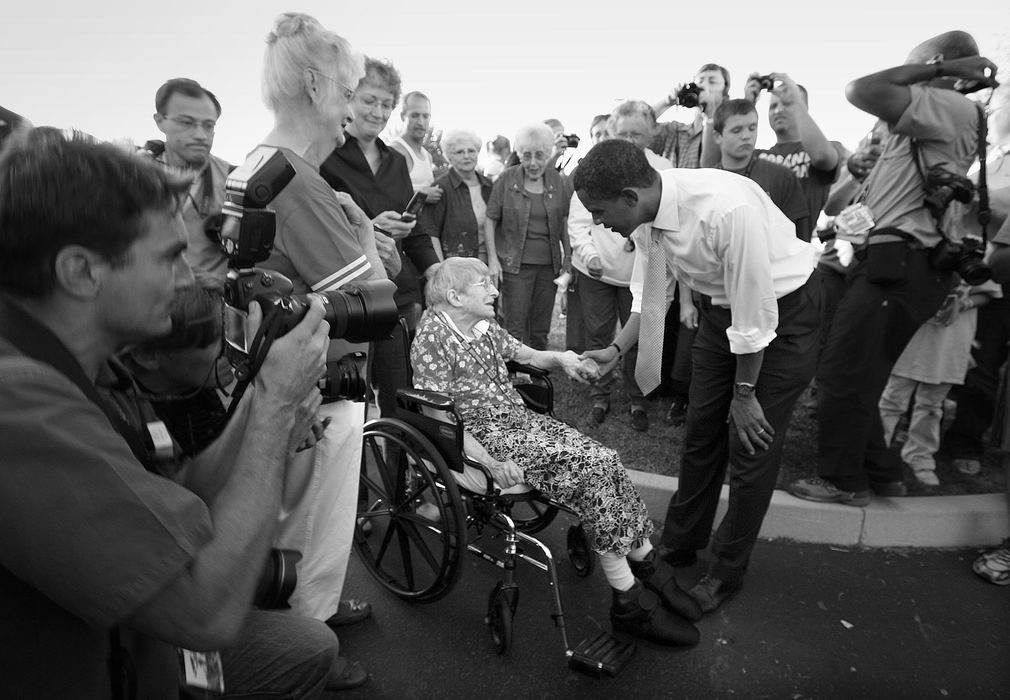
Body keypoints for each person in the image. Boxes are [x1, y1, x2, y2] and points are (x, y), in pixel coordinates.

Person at [0, 127, 337, 697]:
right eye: (170, 256)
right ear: (81, 272)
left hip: (136, 650)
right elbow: (205, 615)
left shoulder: (94, 362)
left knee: (306, 646)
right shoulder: (19, 404)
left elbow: (180, 492)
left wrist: (260, 388)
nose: (189, 279)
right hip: (123, 661)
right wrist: (277, 408)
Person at [576, 139, 820, 614]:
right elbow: (651, 298)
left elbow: (756, 316)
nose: (598, 223)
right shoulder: (648, 219)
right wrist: (614, 349)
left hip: (782, 315)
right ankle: (683, 541)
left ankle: (727, 571)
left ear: (630, 195)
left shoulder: (725, 210)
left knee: (750, 444)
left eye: (599, 211)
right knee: (701, 431)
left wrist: (745, 394)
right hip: (720, 313)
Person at [411, 257, 702, 646]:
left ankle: (644, 567)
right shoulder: (432, 336)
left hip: (519, 423)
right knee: (594, 469)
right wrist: (492, 464)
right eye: (484, 284)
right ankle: (629, 596)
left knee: (606, 459)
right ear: (455, 297)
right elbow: (438, 415)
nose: (495, 289)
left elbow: (529, 356)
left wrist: (563, 359)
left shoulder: (481, 325)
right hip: (486, 436)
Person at [113, 278, 368, 692]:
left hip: (200, 576)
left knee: (314, 644)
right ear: (148, 355)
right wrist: (268, 402)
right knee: (215, 676)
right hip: (163, 615)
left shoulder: (197, 390)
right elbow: (194, 500)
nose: (229, 353)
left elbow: (264, 495)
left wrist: (283, 425)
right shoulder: (123, 410)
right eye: (216, 341)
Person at [789, 31, 998, 507]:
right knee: (861, 377)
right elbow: (875, 204)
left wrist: (934, 71)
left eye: (915, 69)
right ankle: (883, 473)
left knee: (844, 375)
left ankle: (842, 480)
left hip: (901, 265)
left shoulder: (948, 106)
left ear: (942, 68)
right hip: (893, 261)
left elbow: (860, 89)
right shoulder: (924, 122)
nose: (905, 81)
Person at [252, 11, 391, 637]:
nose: (346, 110)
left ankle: (317, 611)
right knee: (313, 522)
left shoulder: (259, 161)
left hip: (269, 378)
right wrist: (364, 234)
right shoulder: (302, 182)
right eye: (344, 93)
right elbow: (370, 307)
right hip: (318, 383)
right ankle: (308, 640)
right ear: (314, 87)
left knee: (289, 523)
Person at [319, 56, 441, 419]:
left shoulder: (396, 162)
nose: (378, 112)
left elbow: (414, 229)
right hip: (345, 299)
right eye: (369, 100)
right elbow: (317, 228)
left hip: (396, 295)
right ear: (348, 98)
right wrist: (368, 227)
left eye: (386, 104)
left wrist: (434, 268)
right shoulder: (326, 156)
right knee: (346, 404)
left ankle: (397, 469)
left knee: (398, 394)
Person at [568, 101, 673, 432]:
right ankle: (600, 394)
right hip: (599, 271)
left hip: (639, 272)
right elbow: (580, 221)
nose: (629, 140)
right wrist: (588, 255)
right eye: (622, 133)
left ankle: (637, 398)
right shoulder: (595, 170)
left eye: (636, 133)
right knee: (599, 333)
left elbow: (656, 294)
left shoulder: (662, 172)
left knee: (643, 335)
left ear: (651, 134)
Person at [943, 82, 1010, 476]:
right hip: (966, 269)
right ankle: (922, 431)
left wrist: (966, 193)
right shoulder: (982, 161)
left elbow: (999, 202)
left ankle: (965, 441)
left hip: (1001, 274)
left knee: (984, 361)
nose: (988, 112)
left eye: (995, 106)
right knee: (955, 353)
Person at [879, 277, 1000, 486]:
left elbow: (987, 292)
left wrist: (962, 303)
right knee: (893, 398)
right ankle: (876, 451)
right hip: (913, 332)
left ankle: (920, 456)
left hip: (951, 340)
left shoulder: (974, 251)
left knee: (932, 405)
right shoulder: (918, 247)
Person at [485, 122, 573, 350]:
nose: (533, 163)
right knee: (514, 325)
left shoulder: (557, 180)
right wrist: (493, 260)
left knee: (541, 326)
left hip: (548, 265)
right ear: (518, 154)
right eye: (526, 156)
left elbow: (564, 220)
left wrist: (568, 258)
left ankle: (537, 375)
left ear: (548, 153)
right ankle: (514, 374)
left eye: (540, 155)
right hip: (515, 266)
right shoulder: (506, 179)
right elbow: (491, 218)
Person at [738, 73, 848, 242]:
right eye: (773, 106)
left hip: (796, 256)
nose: (779, 110)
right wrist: (747, 103)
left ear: (803, 107)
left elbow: (822, 157)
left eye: (786, 103)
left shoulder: (828, 147)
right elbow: (718, 164)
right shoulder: (757, 157)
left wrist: (795, 101)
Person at [146, 78, 232, 279]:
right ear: (160, 121)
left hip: (211, 303)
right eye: (187, 123)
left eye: (209, 125)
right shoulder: (133, 176)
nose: (201, 135)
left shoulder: (235, 181)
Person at [712, 98, 809, 238]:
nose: (746, 136)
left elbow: (800, 238)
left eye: (752, 128)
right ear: (717, 136)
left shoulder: (781, 176)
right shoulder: (709, 181)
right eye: (736, 130)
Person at [418, 128, 492, 262]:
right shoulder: (440, 187)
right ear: (449, 156)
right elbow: (431, 233)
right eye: (459, 152)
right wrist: (442, 269)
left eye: (471, 150)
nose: (466, 156)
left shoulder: (489, 186)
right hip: (458, 267)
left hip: (489, 265)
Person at [650, 62, 730, 168]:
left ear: (725, 92)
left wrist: (710, 113)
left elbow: (711, 165)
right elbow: (637, 125)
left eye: (712, 81)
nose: (704, 86)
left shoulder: (730, 132)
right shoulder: (675, 131)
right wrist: (667, 102)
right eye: (700, 81)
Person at [389, 90, 443, 204]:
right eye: (415, 115)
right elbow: (386, 194)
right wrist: (421, 196)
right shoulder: (396, 151)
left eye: (425, 116)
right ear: (403, 116)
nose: (420, 122)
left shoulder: (427, 156)